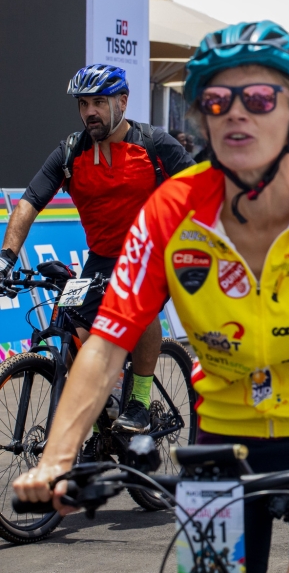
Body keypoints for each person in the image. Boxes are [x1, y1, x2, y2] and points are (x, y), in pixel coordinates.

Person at [13, 22, 289, 573]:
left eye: (259, 98)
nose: (237, 113)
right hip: (220, 447)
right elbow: (108, 344)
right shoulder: (170, 212)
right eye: (216, 100)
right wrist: (55, 459)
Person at [0, 64, 194, 436]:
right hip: (101, 257)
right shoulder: (71, 152)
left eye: (99, 102)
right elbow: (28, 203)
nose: (90, 111)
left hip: (151, 253)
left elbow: (203, 190)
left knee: (140, 302)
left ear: (122, 101)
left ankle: (138, 400)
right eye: (83, 103)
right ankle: (105, 416)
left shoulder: (154, 144)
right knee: (71, 324)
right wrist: (6, 258)